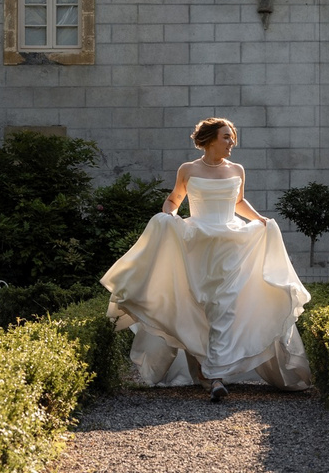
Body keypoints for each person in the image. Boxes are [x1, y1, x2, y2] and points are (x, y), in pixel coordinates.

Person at [100, 117, 313, 401]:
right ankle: (206, 371)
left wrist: (260, 220)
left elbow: (238, 202)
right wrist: (168, 218)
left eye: (232, 138)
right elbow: (175, 199)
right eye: (226, 137)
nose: (231, 143)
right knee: (199, 309)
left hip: (230, 247)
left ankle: (216, 377)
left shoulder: (237, 169)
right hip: (197, 245)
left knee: (224, 308)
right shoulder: (188, 169)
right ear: (210, 139)